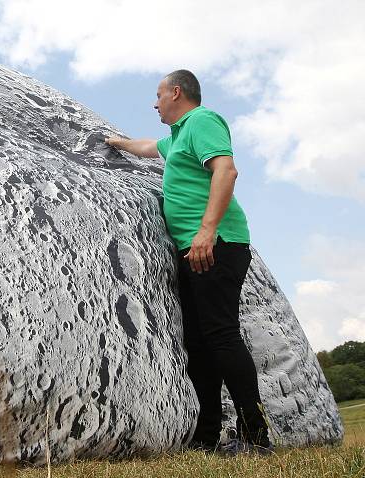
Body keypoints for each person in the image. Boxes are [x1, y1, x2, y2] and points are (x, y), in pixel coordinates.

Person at [105, 70, 272, 454]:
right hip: (195, 249)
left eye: (158, 95)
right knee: (198, 343)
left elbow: (226, 170)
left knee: (221, 334)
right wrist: (118, 143)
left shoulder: (202, 121)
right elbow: (150, 147)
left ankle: (255, 436)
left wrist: (207, 230)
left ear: (176, 92)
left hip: (217, 243)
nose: (154, 102)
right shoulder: (179, 136)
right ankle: (208, 435)